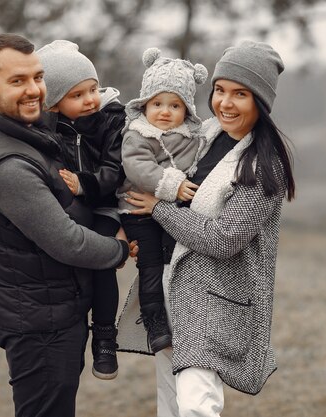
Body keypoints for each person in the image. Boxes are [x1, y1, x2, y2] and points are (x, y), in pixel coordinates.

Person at [0, 33, 135, 417]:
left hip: (45, 308)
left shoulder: (14, 131)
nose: (33, 89)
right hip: (41, 323)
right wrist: (121, 248)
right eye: (17, 81)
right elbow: (67, 241)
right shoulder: (9, 165)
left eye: (38, 77)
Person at [124, 40, 295, 416]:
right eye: (220, 90)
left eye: (240, 94)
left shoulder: (264, 165)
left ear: (260, 103)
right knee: (169, 399)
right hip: (171, 284)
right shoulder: (203, 135)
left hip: (215, 302)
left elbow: (224, 238)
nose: (225, 103)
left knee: (197, 405)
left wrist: (159, 210)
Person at [35, 39, 126, 380]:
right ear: (56, 104)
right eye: (78, 95)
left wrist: (85, 183)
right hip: (71, 204)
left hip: (106, 203)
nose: (91, 100)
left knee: (102, 256)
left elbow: (116, 169)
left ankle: (104, 336)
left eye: (93, 89)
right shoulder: (48, 127)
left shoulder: (112, 119)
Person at [116, 47, 208, 353]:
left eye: (175, 105)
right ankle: (154, 321)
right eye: (157, 103)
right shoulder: (137, 133)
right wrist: (173, 185)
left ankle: (184, 315)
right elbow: (138, 168)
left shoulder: (192, 136)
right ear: (145, 105)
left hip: (172, 211)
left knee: (178, 262)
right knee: (151, 263)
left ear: (187, 110)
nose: (165, 112)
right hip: (139, 211)